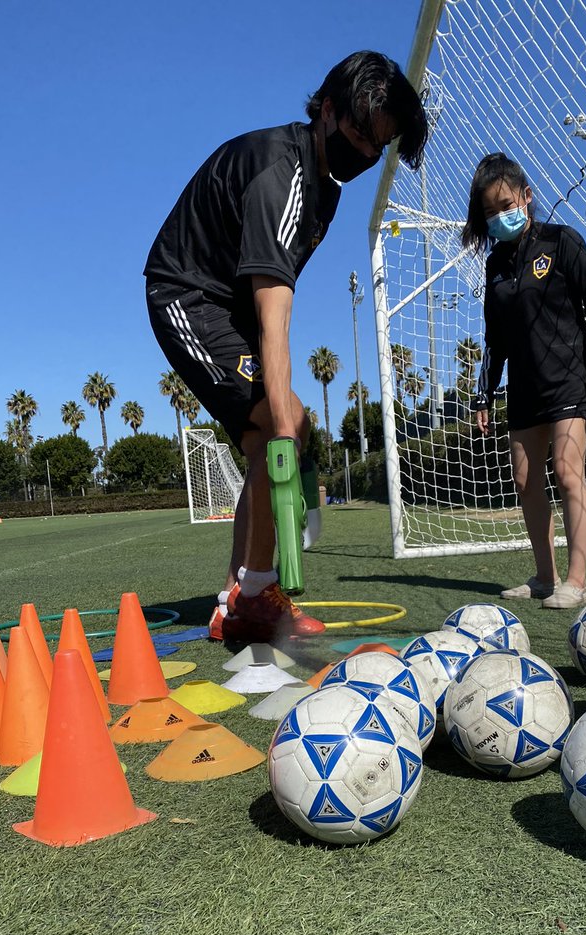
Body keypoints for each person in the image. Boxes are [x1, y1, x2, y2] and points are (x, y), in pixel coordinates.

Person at [145, 52, 428, 642]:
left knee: (265, 439)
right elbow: (276, 320)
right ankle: (253, 596)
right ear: (327, 111)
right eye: (358, 136)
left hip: (231, 307)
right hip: (187, 295)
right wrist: (285, 428)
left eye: (379, 148)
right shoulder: (283, 176)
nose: (366, 157)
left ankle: (240, 596)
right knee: (284, 423)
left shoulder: (328, 188)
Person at [463, 153, 586, 609]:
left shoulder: (561, 242)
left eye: (505, 204)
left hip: (569, 381)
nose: (499, 216)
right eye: (490, 212)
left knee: (567, 472)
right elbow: (494, 339)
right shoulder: (495, 267)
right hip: (524, 390)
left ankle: (577, 580)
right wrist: (483, 394)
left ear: (527, 197)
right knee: (524, 479)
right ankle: (544, 576)